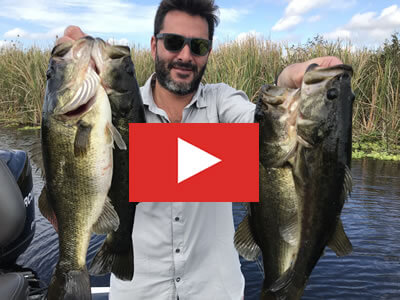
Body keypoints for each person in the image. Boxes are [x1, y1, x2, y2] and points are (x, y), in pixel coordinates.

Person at [57, 0, 343, 299]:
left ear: (209, 51)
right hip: (138, 291)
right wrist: (72, 73)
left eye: (198, 47)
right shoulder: (116, 110)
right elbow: (72, 166)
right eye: (173, 42)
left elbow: (265, 138)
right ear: (154, 45)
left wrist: (283, 84)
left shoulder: (224, 101)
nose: (185, 55)